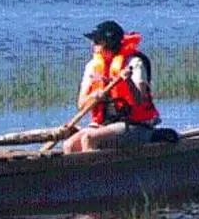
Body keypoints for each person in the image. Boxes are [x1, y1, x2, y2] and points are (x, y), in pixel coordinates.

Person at [58, 21, 161, 153]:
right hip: (104, 124)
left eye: (97, 42)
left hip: (135, 125)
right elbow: (81, 104)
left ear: (110, 43)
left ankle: (97, 173)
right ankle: (77, 173)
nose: (92, 45)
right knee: (69, 145)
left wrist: (128, 81)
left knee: (89, 139)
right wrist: (94, 96)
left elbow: (139, 100)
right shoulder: (92, 66)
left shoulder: (134, 63)